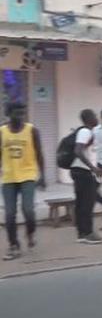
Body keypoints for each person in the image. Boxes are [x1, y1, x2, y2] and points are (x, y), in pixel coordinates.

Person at [1, 102, 45, 260]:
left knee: (28, 211)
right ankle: (14, 245)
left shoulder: (32, 130)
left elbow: (39, 154)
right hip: (9, 177)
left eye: (22, 113)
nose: (20, 116)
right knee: (10, 214)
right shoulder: (2, 132)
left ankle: (30, 234)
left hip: (28, 175)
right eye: (16, 113)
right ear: (8, 113)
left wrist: (43, 176)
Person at [72, 109, 102, 245]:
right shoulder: (85, 132)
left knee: (81, 204)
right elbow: (78, 151)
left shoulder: (87, 132)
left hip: (81, 171)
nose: (96, 118)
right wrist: (93, 168)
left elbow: (88, 152)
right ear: (88, 118)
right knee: (87, 203)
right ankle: (88, 233)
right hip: (84, 172)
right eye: (94, 115)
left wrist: (97, 166)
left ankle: (81, 233)